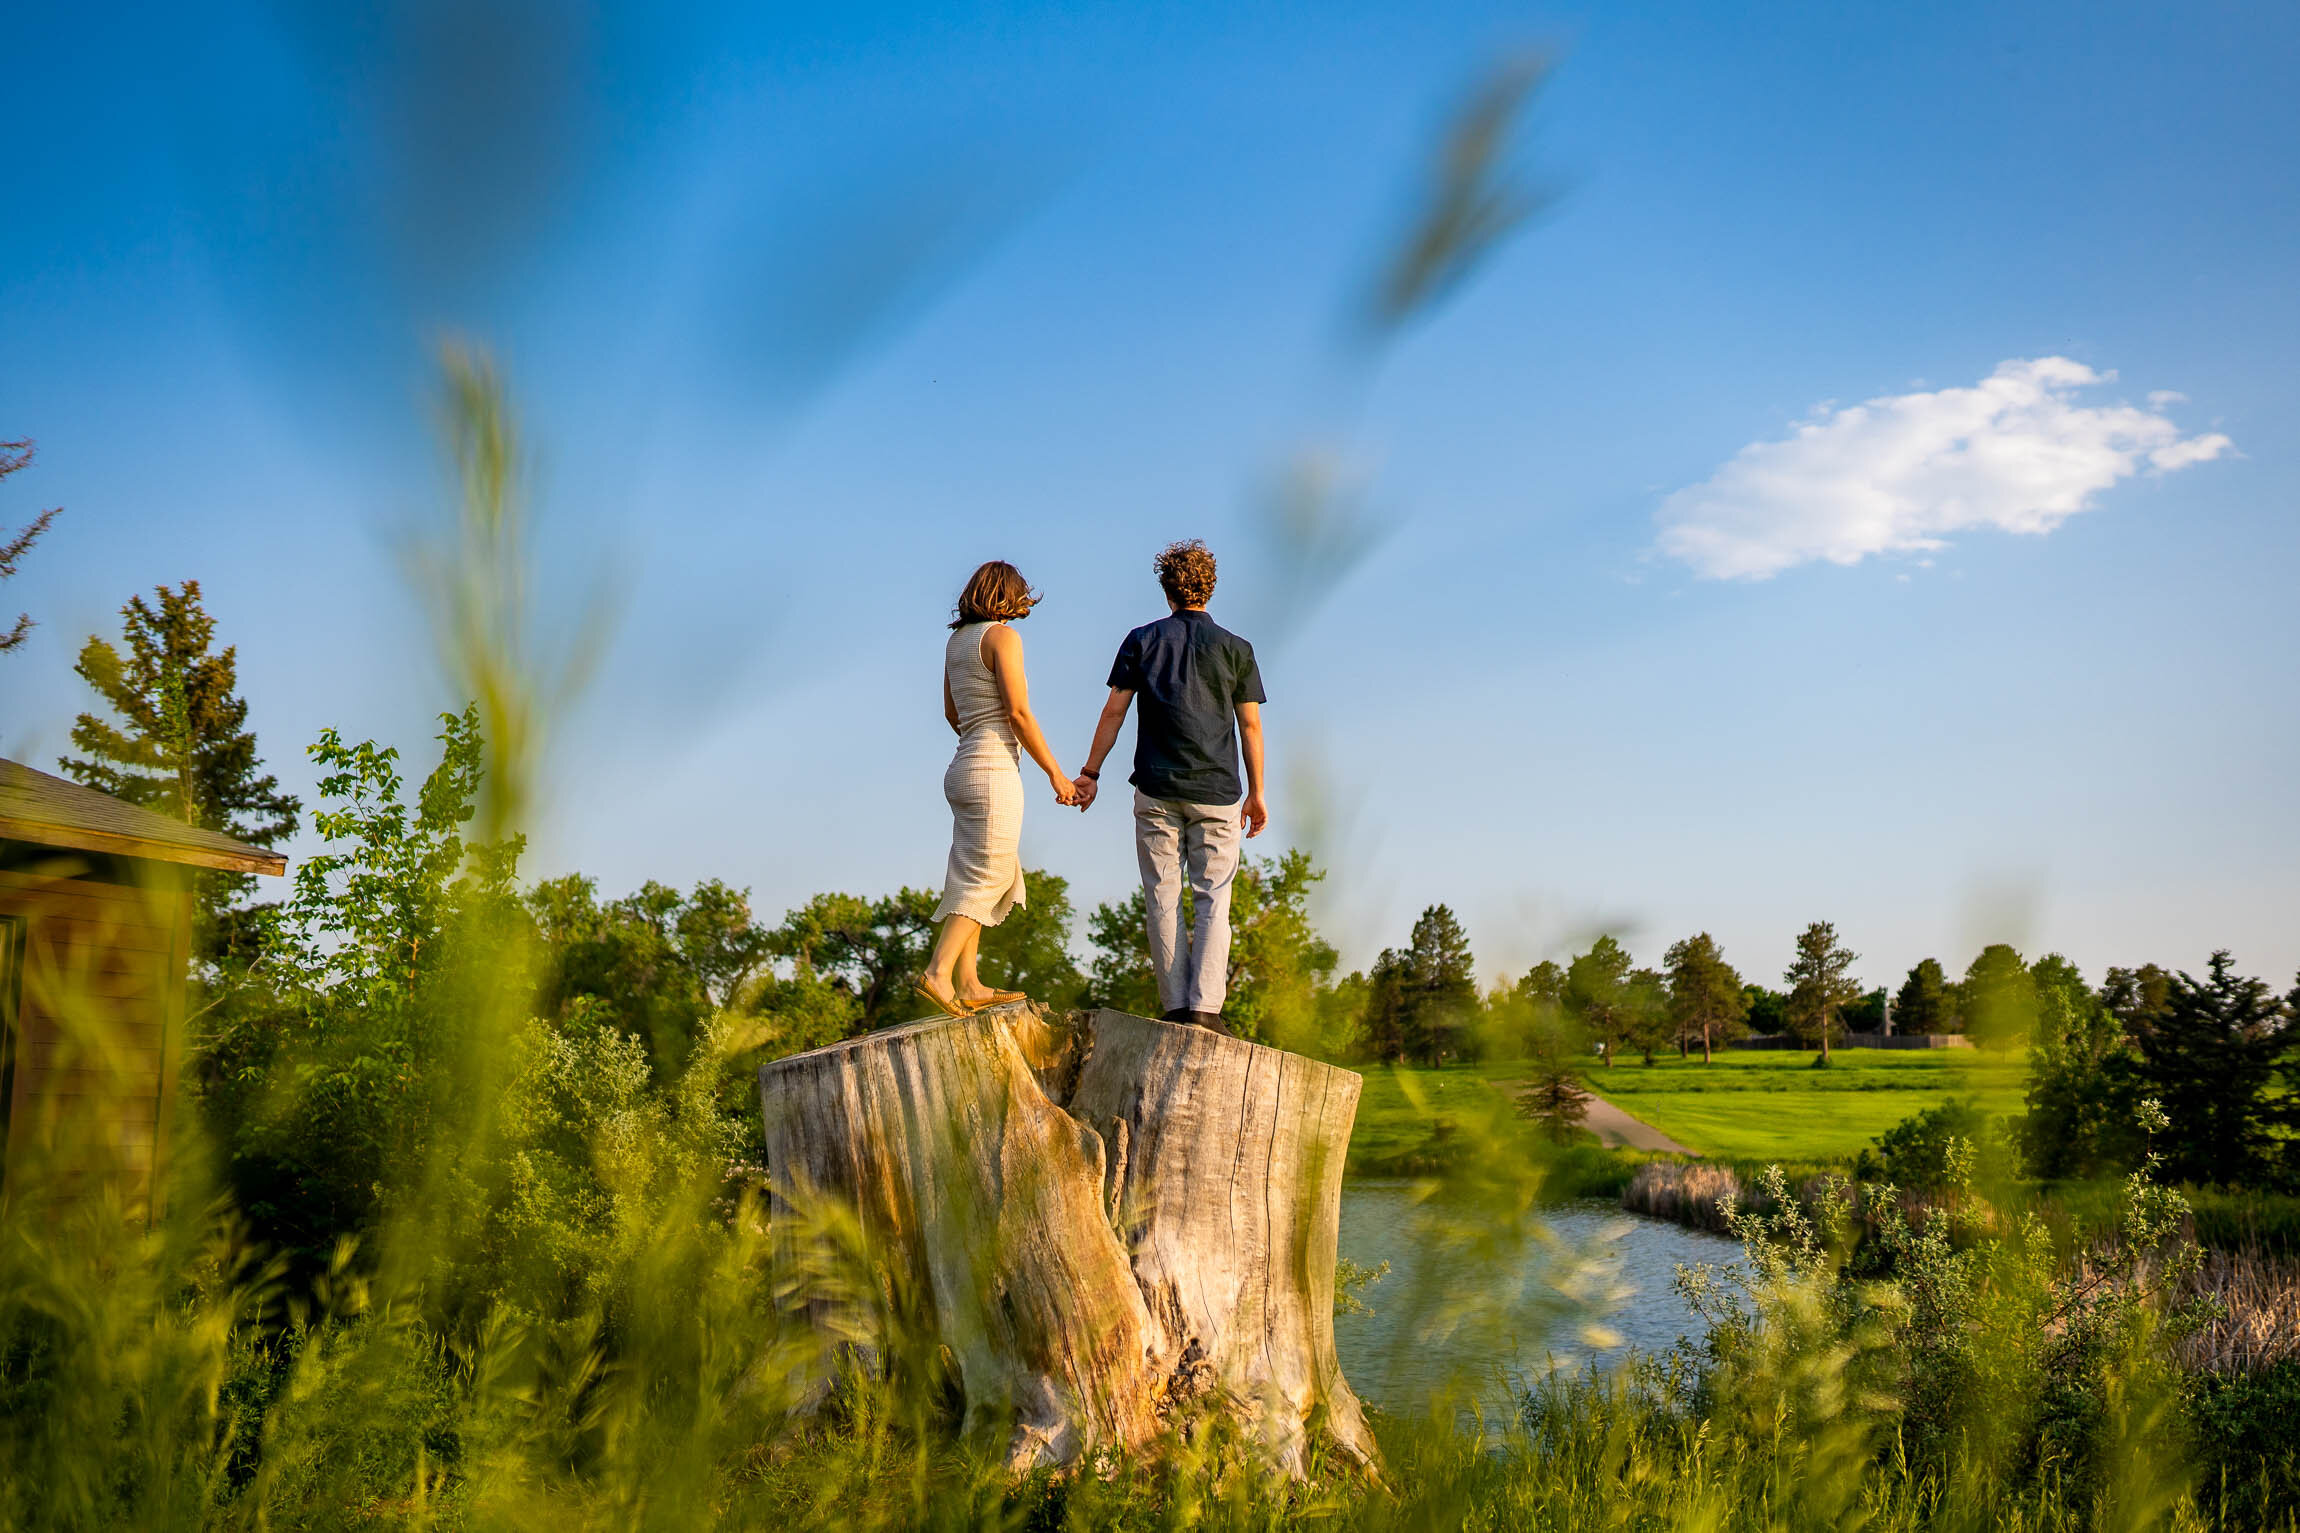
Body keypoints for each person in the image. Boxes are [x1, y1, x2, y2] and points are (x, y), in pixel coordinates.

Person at [1073, 540, 1266, 1031]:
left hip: (1156, 789)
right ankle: (1206, 1010)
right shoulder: (1236, 649)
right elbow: (1250, 727)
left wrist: (1090, 774)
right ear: (1211, 588)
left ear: (1167, 592)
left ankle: (1176, 1009)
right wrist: (1258, 792)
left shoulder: (1142, 640)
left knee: (1162, 894)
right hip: (1218, 791)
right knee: (1213, 899)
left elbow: (1114, 711)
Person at [916, 560, 1081, 1017]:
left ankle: (968, 982)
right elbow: (1019, 713)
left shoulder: (956, 642)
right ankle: (938, 973)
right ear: (1010, 596)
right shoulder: (1002, 638)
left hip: (963, 765)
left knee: (986, 872)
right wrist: (1056, 774)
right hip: (993, 771)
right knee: (987, 875)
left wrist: (976, 740)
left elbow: (952, 713)